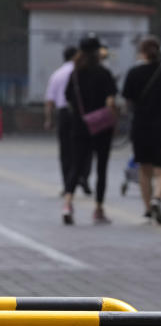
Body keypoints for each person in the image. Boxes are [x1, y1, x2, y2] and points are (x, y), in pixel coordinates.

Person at [122, 35, 161, 225]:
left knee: (144, 169)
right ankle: (157, 197)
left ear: (142, 52)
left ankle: (147, 209)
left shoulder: (134, 73)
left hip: (141, 125)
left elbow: (127, 99)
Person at [63, 35, 118, 225]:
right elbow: (111, 100)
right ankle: (98, 208)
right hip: (101, 126)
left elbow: (68, 98)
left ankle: (68, 203)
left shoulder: (75, 74)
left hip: (80, 125)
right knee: (101, 167)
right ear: (97, 53)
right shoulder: (104, 73)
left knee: (76, 164)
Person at [44, 46, 91, 198]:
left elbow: (50, 100)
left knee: (66, 150)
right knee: (85, 147)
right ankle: (83, 176)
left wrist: (49, 119)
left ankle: (67, 184)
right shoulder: (82, 72)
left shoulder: (57, 74)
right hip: (82, 114)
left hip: (64, 114)